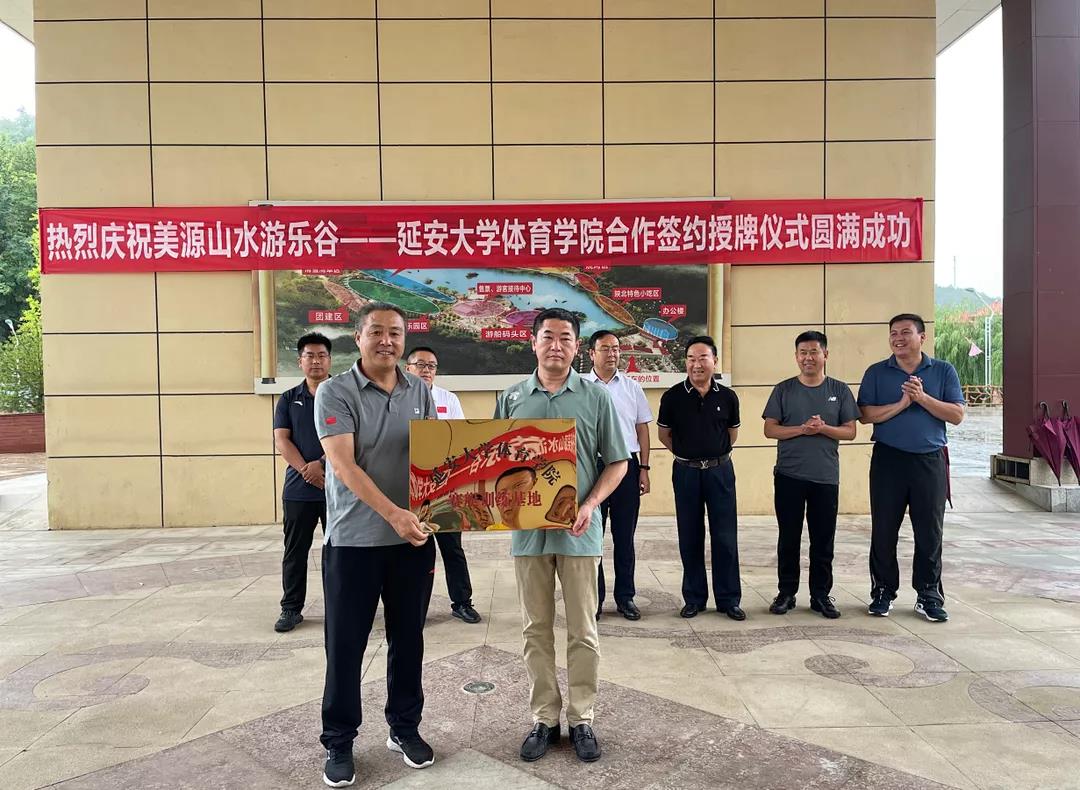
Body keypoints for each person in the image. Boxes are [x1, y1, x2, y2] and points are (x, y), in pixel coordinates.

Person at [494, 308, 628, 764]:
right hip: (527, 535)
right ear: (533, 343)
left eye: (565, 337)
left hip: (579, 533)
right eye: (547, 336)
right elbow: (496, 466)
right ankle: (545, 719)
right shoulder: (511, 398)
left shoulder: (596, 398)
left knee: (583, 629)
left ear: (577, 347)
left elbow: (618, 462)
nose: (556, 345)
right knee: (535, 629)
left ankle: (582, 718)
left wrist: (590, 505)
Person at [315, 302, 437, 787]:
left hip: (413, 540)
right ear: (358, 337)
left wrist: (461, 506)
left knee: (409, 640)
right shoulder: (335, 391)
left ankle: (404, 728)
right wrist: (393, 514)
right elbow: (343, 466)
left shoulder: (419, 390)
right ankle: (339, 740)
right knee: (346, 645)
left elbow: (434, 457)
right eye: (377, 332)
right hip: (354, 541)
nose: (387, 341)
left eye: (396, 333)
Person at [858, 313, 965, 623]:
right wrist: (902, 404)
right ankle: (883, 590)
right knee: (883, 529)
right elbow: (865, 415)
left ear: (922, 337)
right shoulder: (877, 372)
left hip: (929, 460)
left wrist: (921, 397)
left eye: (905, 332)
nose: (898, 338)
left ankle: (928, 594)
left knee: (929, 531)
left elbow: (957, 415)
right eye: (893, 333)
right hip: (888, 459)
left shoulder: (942, 370)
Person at [762, 331, 859, 619]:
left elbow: (850, 432)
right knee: (789, 538)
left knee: (823, 540)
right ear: (796, 356)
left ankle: (821, 595)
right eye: (803, 352)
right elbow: (770, 429)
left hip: (825, 477)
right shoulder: (783, 389)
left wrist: (823, 428)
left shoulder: (839, 390)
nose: (808, 358)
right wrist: (803, 429)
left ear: (825, 355)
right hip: (789, 475)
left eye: (814, 352)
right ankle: (786, 593)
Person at [657, 336, 744, 621]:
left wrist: (712, 455)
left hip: (720, 472)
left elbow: (731, 434)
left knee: (725, 536)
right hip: (686, 473)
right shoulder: (672, 397)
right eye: (691, 359)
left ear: (714, 361)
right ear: (686, 362)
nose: (697, 364)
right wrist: (688, 455)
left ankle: (729, 599)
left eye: (703, 358)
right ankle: (694, 598)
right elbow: (664, 435)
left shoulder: (727, 397)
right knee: (690, 535)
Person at [405, 346, 481, 625]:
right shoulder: (399, 399)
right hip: (410, 487)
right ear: (408, 368)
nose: (426, 370)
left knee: (452, 548)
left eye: (432, 366)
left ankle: (462, 602)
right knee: (414, 550)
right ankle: (413, 606)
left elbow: (461, 439)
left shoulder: (448, 399)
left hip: (444, 487)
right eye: (420, 365)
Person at [585, 329, 653, 621]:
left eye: (615, 348)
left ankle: (626, 598)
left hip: (627, 467)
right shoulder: (581, 388)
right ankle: (595, 600)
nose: (612, 354)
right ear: (591, 354)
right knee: (592, 538)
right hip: (592, 468)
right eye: (605, 349)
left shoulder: (632, 387)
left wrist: (645, 469)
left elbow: (642, 429)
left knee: (625, 537)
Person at [271, 333, 332, 633]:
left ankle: (340, 607)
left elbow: (355, 437)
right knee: (295, 552)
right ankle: (291, 609)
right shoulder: (288, 398)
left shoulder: (342, 394)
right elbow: (282, 439)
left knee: (339, 552)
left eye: (321, 355)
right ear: (300, 361)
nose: (316, 361)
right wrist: (308, 470)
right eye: (310, 355)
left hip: (337, 488)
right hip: (298, 490)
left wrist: (322, 464)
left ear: (330, 360)